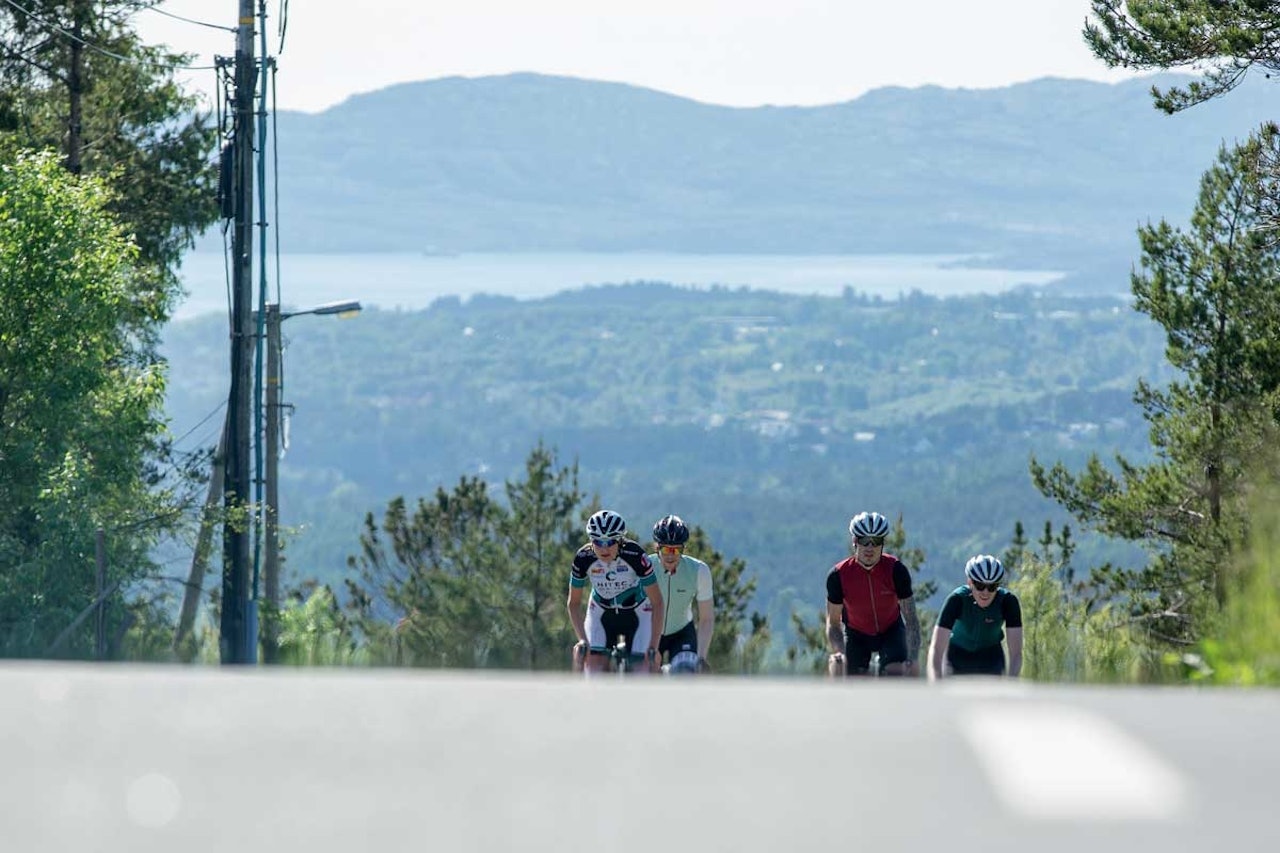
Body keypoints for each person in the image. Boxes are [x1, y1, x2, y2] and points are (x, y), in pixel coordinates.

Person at [567, 509, 665, 674]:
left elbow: (658, 603)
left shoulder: (635, 555)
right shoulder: (583, 558)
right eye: (598, 542)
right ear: (591, 541)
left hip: (637, 613)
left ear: (620, 541)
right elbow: (573, 604)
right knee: (593, 670)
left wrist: (653, 647)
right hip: (601, 613)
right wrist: (582, 640)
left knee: (642, 672)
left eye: (610, 542)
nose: (604, 548)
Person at [825, 511, 921, 677]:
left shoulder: (896, 570)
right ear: (855, 542)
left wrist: (912, 658)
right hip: (856, 634)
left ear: (882, 543)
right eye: (864, 540)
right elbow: (833, 623)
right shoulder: (838, 575)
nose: (870, 547)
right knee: (839, 666)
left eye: (876, 541)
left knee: (897, 672)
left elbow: (911, 620)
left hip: (891, 631)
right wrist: (840, 651)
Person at [927, 554, 1023, 680]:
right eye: (980, 585)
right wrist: (935, 682)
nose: (985, 592)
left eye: (992, 587)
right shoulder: (957, 600)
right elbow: (936, 648)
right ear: (970, 582)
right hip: (957, 657)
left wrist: (1011, 682)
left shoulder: (1008, 602)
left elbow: (1016, 653)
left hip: (991, 658)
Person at [648, 514, 715, 674]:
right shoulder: (645, 567)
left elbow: (707, 618)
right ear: (657, 548)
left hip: (681, 632)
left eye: (676, 549)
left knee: (685, 673)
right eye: (665, 549)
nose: (670, 555)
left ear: (683, 549)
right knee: (643, 675)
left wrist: (701, 657)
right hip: (648, 631)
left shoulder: (699, 571)